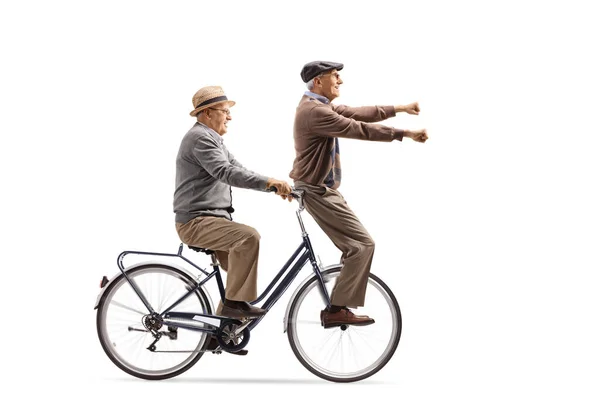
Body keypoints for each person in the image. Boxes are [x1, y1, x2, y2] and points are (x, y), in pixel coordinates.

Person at [289, 61, 428, 328]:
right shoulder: (314, 112)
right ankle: (337, 309)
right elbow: (358, 129)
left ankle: (340, 300)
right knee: (362, 245)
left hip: (322, 189)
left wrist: (400, 109)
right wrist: (406, 134)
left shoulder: (319, 106)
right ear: (318, 82)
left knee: (359, 245)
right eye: (334, 76)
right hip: (316, 191)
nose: (340, 80)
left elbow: (357, 113)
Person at [174, 85, 292, 326]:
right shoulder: (200, 138)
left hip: (212, 220)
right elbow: (225, 172)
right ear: (207, 113)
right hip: (196, 222)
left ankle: (220, 333)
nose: (230, 116)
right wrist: (268, 183)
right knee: (249, 238)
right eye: (225, 111)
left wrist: (273, 185)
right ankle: (232, 308)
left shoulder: (213, 140)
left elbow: (238, 169)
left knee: (239, 276)